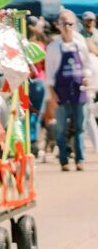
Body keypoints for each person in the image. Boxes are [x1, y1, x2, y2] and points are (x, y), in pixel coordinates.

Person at [45, 10, 94, 171]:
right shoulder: (53, 48)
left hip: (79, 91)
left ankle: (80, 159)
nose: (67, 27)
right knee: (61, 129)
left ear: (74, 25)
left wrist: (86, 77)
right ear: (58, 25)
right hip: (60, 92)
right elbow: (50, 73)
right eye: (64, 23)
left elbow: (87, 66)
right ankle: (64, 160)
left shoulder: (80, 45)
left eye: (70, 24)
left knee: (80, 127)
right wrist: (52, 94)